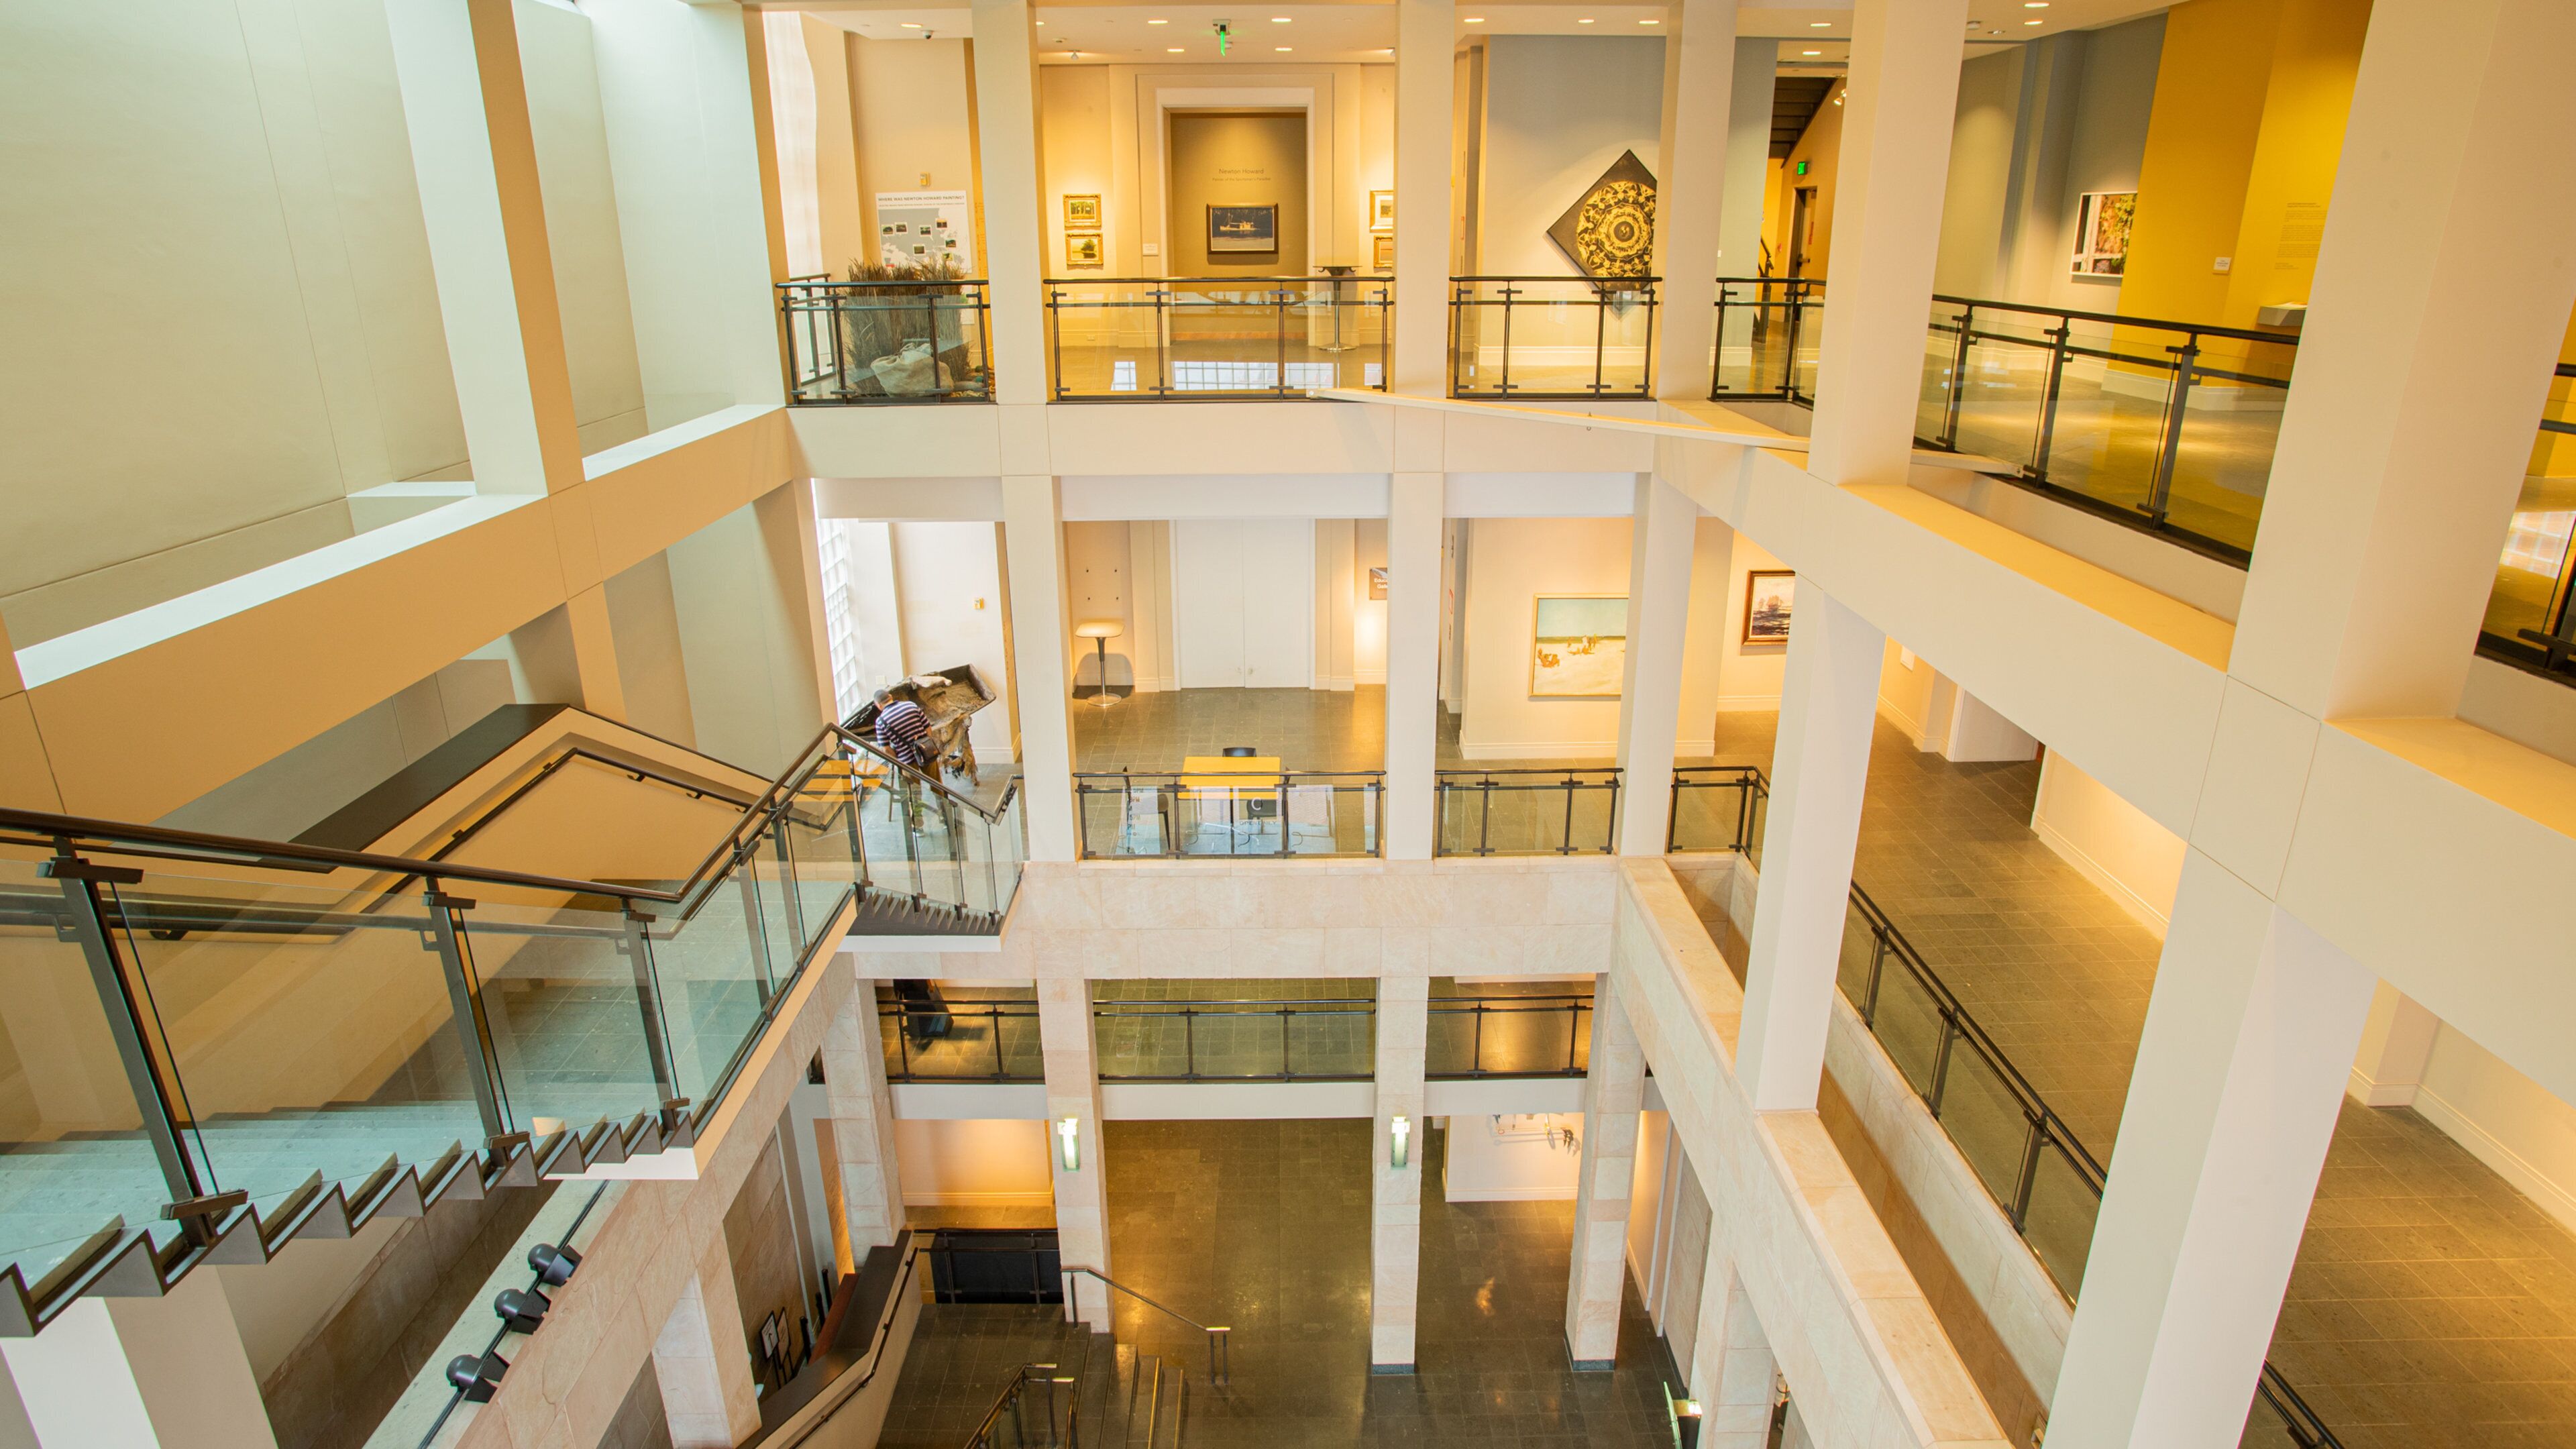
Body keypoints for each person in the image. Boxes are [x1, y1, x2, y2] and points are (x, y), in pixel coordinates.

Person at [873, 689, 938, 775]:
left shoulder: (880, 722)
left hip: (907, 760)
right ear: (890, 697)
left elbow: (886, 749)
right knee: (937, 784)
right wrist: (927, 743)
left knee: (914, 787)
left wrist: (898, 759)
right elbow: (927, 726)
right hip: (926, 752)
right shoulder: (911, 705)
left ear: (878, 705)